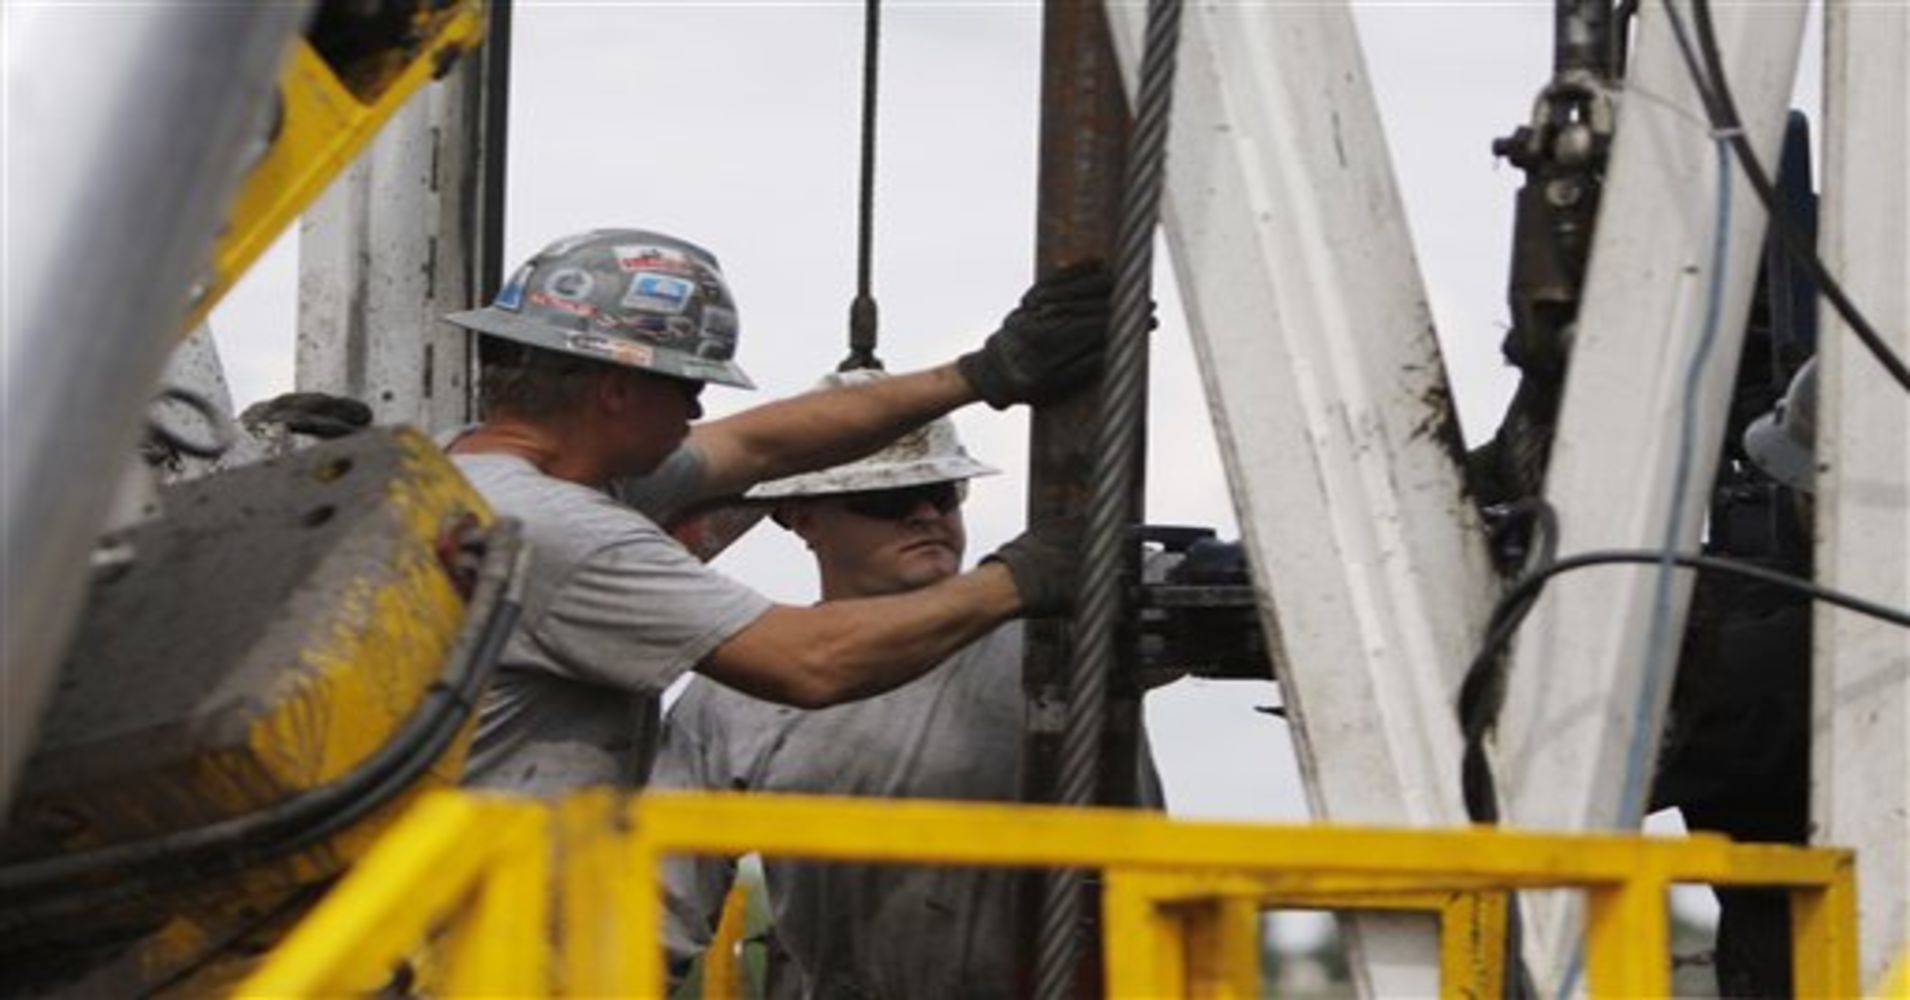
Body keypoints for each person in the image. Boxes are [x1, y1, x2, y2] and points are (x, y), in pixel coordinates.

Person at [440, 228, 1108, 793]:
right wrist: (1024, 576)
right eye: (689, 387)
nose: (698, 412)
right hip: (480, 918)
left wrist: (982, 375)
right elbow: (811, 661)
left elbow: (761, 445)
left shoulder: (461, 474)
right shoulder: (561, 532)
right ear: (617, 389)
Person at [653, 374, 1161, 999]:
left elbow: (1211, 605)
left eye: (942, 493)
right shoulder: (738, 694)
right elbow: (659, 910)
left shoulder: (1061, 636)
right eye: (888, 500)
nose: (925, 514)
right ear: (802, 517)